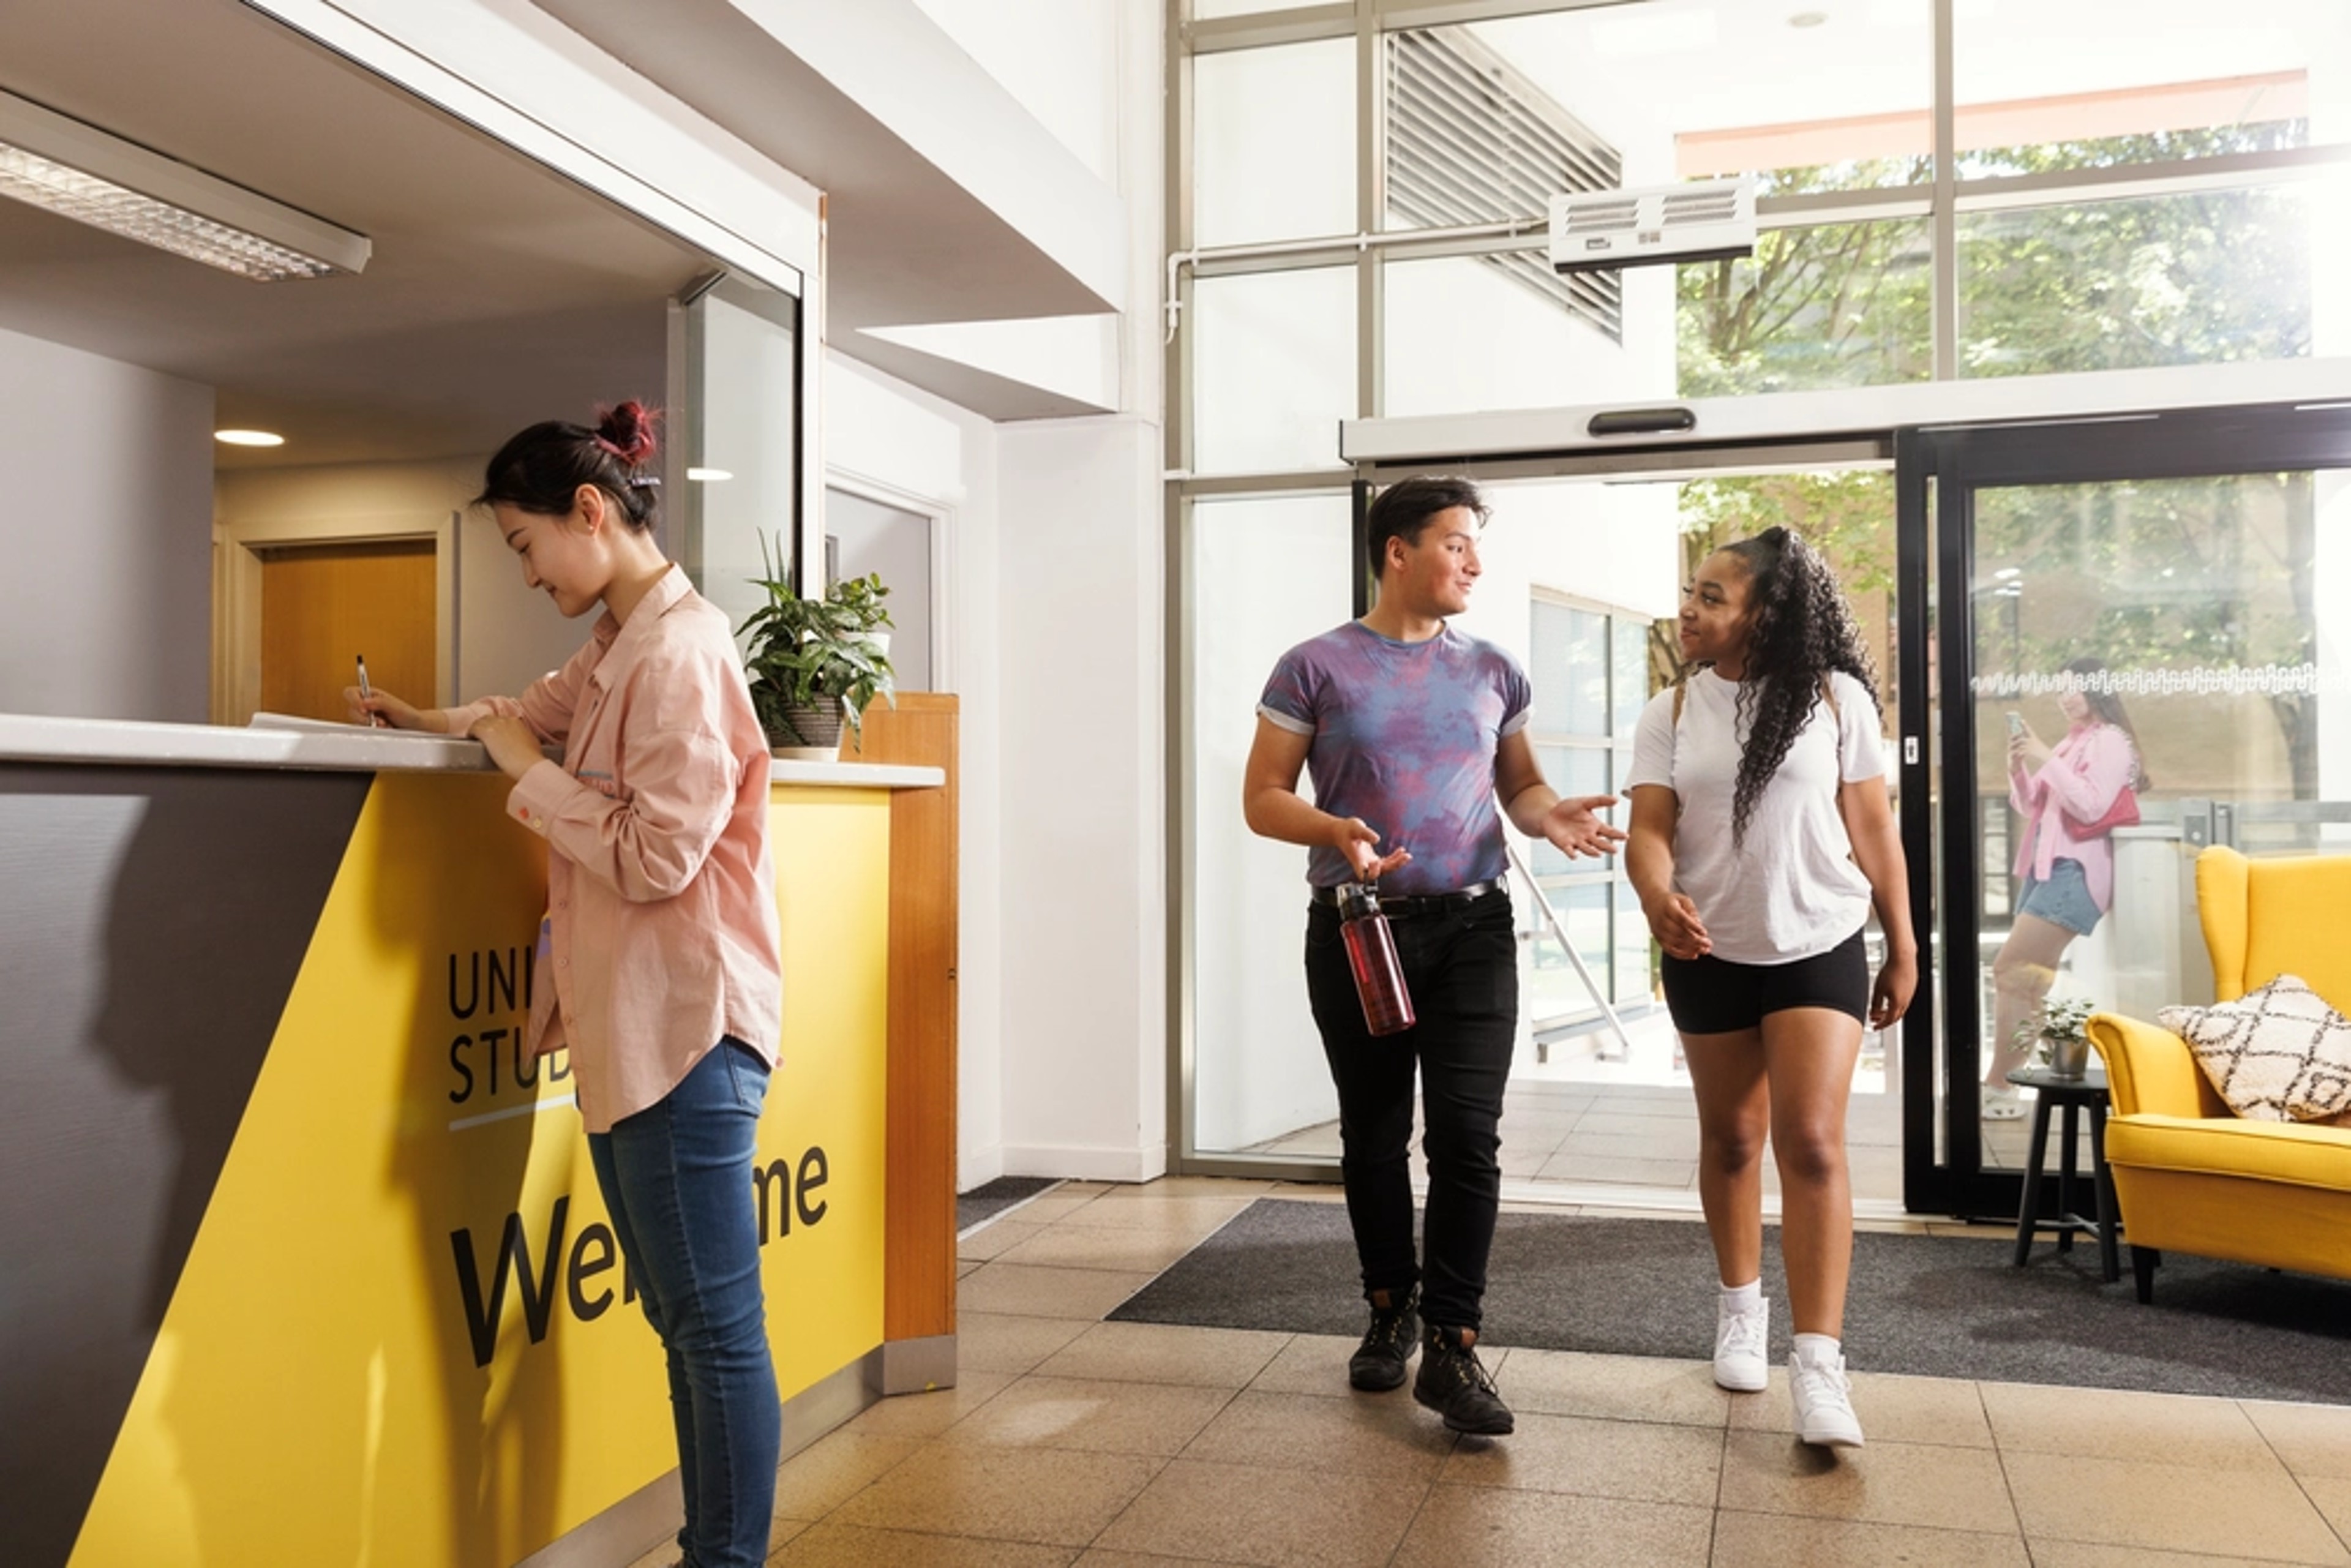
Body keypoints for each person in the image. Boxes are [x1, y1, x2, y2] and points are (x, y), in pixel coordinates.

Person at [349, 402, 784, 1567]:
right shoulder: (619, 644)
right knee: (688, 1326)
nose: (528, 572)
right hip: (640, 1035)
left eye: (524, 544)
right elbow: (516, 718)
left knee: (713, 1331)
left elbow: (657, 858)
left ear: (589, 510)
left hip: (687, 1035)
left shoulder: (681, 654)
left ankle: (725, 1559)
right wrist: (426, 722)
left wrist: (527, 778)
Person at [1240, 474, 1624, 1437]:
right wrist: (1336, 827)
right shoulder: (1315, 666)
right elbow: (1263, 799)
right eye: (1457, 544)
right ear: (1398, 551)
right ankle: (1389, 1308)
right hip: (1359, 928)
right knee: (1374, 1135)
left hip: (1474, 930)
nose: (1475, 564)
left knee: (1466, 1136)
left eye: (1475, 546)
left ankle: (1452, 1343)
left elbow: (1521, 787)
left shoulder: (1494, 669)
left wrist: (1549, 816)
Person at [1624, 525, 1914, 1450]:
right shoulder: (1671, 710)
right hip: (1707, 948)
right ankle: (1740, 1311)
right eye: (1692, 590)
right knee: (1733, 1138)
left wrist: (1905, 943)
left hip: (1818, 938)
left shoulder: (1836, 699)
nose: (1690, 608)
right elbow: (1649, 830)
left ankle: (1820, 1365)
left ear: (1766, 613)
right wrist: (1657, 898)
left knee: (1814, 1143)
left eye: (1712, 596)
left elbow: (1874, 829)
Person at [1981, 655, 2148, 1119]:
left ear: (2097, 688)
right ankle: (2005, 1088)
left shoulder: (2111, 740)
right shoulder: (2072, 741)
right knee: (2025, 980)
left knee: (2013, 970)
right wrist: (2018, 766)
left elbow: (2091, 806)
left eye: (2073, 687)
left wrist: (2043, 755)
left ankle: (2000, 1087)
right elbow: (2030, 803)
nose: (2064, 698)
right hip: (2046, 868)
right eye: (2060, 690)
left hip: (2074, 871)